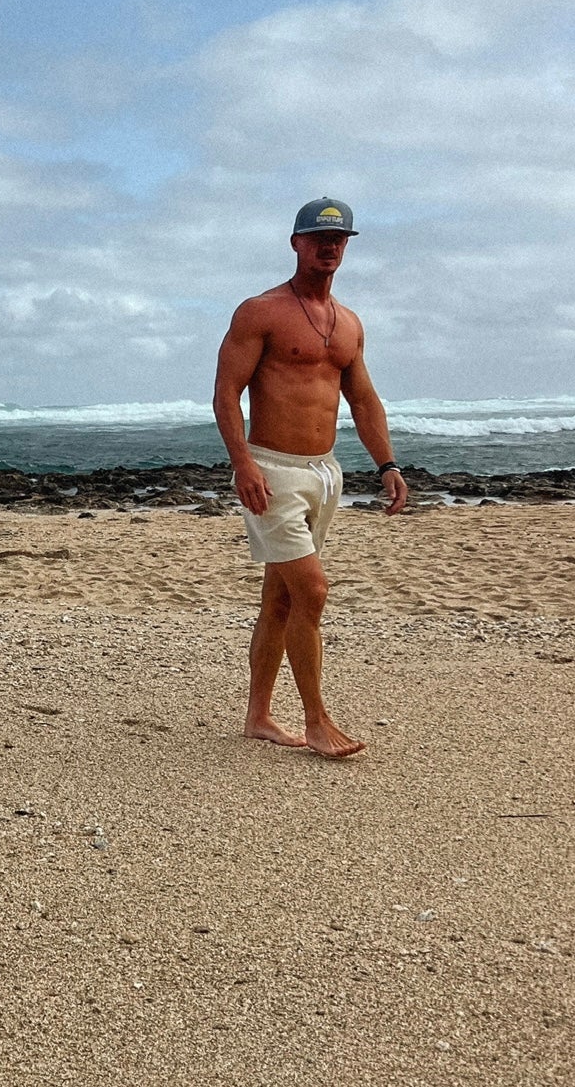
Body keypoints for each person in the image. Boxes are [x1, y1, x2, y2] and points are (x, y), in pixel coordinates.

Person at [213, 198, 409, 758]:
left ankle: (258, 717)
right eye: (319, 238)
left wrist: (388, 465)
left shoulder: (349, 323)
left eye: (340, 239)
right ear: (295, 242)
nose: (330, 247)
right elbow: (226, 393)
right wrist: (242, 464)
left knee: (279, 599)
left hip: (324, 475)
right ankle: (317, 720)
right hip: (270, 471)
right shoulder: (260, 312)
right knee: (313, 591)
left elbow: (364, 400)